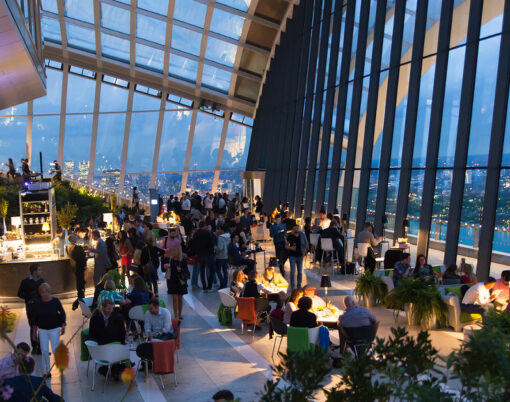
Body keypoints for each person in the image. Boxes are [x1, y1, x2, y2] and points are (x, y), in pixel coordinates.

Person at [30, 283, 66, 376]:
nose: (45, 294)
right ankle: (46, 371)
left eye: (46, 291)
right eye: (42, 292)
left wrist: (63, 325)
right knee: (44, 351)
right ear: (40, 293)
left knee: (55, 350)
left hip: (54, 329)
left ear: (49, 291)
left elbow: (62, 313)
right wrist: (34, 333)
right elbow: (34, 319)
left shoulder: (55, 301)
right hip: (42, 330)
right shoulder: (37, 303)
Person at [17, 263, 44, 354]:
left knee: (41, 327)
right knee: (33, 327)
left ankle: (40, 347)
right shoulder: (25, 282)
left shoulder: (42, 281)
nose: (41, 271)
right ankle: (34, 346)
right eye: (39, 270)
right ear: (34, 271)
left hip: (40, 307)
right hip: (31, 307)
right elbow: (19, 294)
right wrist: (28, 297)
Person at [165, 245, 189, 320]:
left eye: (175, 250)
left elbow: (187, 271)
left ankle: (180, 313)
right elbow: (165, 268)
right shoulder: (170, 259)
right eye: (173, 250)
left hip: (181, 281)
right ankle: (176, 315)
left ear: (179, 251)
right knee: (175, 298)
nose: (173, 252)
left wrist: (181, 270)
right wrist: (166, 266)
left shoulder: (183, 260)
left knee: (180, 298)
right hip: (172, 280)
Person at [192, 221, 217, 292]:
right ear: (205, 226)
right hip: (208, 254)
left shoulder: (196, 234)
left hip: (200, 255)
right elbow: (212, 243)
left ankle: (204, 287)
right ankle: (209, 287)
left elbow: (193, 244)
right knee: (212, 270)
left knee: (202, 271)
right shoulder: (207, 233)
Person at [285, 223, 309, 290]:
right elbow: (286, 246)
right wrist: (291, 248)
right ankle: (292, 285)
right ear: (293, 229)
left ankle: (299, 284)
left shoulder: (302, 236)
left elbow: (305, 245)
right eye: (295, 228)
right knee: (292, 271)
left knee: (300, 271)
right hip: (292, 256)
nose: (296, 229)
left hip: (300, 255)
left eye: (297, 228)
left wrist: (304, 251)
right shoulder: (290, 237)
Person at [67, 234, 87, 299]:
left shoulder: (68, 247)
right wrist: (84, 265)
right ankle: (81, 297)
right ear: (72, 239)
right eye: (75, 237)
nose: (76, 238)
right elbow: (81, 258)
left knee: (79, 281)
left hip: (74, 267)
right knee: (81, 282)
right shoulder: (77, 248)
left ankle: (80, 295)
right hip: (79, 267)